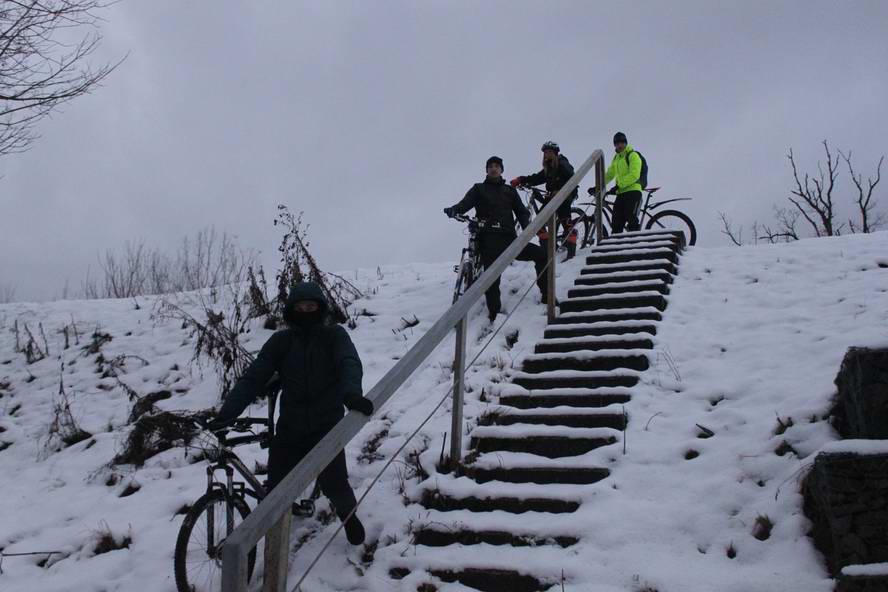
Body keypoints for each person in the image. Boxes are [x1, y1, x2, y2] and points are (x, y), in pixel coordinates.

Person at [210, 281, 373, 545]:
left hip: (326, 424)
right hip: (290, 426)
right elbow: (254, 377)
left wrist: (351, 395)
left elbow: (349, 363)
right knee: (276, 490)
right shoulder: (281, 341)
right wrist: (226, 415)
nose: (305, 311)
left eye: (311, 306)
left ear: (320, 309)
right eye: (300, 307)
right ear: (291, 310)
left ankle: (348, 516)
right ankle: (273, 547)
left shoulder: (334, 336)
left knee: (334, 482)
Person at [444, 155, 549, 322]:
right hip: (488, 238)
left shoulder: (510, 191)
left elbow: (522, 211)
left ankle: (547, 295)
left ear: (501, 170)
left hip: (510, 240)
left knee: (542, 255)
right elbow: (465, 204)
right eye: (491, 166)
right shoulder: (478, 189)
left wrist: (527, 228)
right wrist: (454, 210)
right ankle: (494, 313)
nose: (494, 168)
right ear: (487, 170)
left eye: (497, 166)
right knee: (492, 276)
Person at [509, 141, 579, 259]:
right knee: (539, 223)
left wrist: (560, 189)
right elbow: (537, 178)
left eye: (550, 152)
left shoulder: (562, 163)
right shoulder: (548, 166)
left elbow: (571, 176)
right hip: (552, 196)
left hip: (565, 195)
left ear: (556, 153)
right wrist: (521, 180)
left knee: (566, 222)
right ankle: (548, 250)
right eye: (545, 152)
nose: (547, 154)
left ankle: (571, 254)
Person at [603, 131, 643, 233]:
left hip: (633, 192)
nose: (619, 145)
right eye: (617, 143)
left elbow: (634, 174)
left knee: (631, 219)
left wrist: (618, 186)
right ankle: (616, 248)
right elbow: (610, 174)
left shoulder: (632, 155)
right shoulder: (617, 158)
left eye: (622, 143)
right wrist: (598, 184)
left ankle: (636, 245)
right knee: (616, 223)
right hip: (621, 193)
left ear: (626, 143)